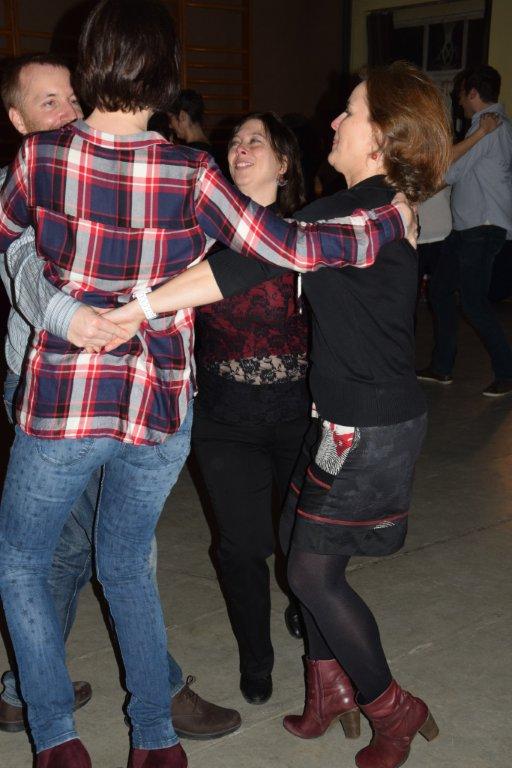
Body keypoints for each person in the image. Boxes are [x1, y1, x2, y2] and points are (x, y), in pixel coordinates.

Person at [0, 1, 413, 766]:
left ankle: (56, 740)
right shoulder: (192, 171)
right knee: (127, 566)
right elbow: (287, 246)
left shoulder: (40, 158)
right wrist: (391, 217)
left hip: (64, 401)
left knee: (24, 562)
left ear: (89, 65)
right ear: (166, 76)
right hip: (160, 407)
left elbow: (9, 239)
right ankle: (156, 742)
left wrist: (66, 308)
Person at [105, 61, 451, 768]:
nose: (334, 120)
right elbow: (250, 260)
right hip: (343, 422)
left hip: (368, 428)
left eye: (350, 112)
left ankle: (392, 708)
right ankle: (328, 689)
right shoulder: (360, 205)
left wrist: (136, 309)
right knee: (297, 544)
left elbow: (258, 260)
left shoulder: (367, 213)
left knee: (313, 574)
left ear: (382, 136)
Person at [0, 51, 242, 743]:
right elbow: (16, 260)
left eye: (72, 97)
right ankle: (148, 704)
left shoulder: (145, 166)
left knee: (91, 555)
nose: (68, 112)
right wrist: (68, 314)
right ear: (17, 119)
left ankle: (42, 707)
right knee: (89, 555)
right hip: (49, 387)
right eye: (48, 103)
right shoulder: (28, 172)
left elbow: (226, 251)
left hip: (133, 390)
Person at [192, 112, 309, 706]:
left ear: (283, 164)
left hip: (299, 417)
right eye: (234, 142)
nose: (239, 148)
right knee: (241, 548)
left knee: (304, 540)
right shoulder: (197, 234)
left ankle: (307, 609)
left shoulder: (307, 235)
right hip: (224, 419)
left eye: (254, 141)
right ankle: (256, 658)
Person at [417, 65, 512, 396]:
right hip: (468, 229)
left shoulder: (490, 127)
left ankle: (507, 372)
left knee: (472, 302)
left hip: (480, 228)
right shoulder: (489, 125)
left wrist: (414, 193)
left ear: (472, 93)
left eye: (460, 94)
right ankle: (441, 366)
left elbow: (451, 171)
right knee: (440, 290)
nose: (458, 101)